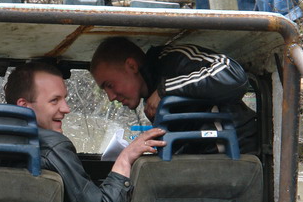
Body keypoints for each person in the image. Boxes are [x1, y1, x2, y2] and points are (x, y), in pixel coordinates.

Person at [4, 61, 165, 202]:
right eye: (55, 101)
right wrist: (125, 159)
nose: (67, 109)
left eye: (65, 99)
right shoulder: (52, 148)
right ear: (24, 106)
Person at [89, 36, 258, 154]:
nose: (110, 97)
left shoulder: (173, 59)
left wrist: (166, 90)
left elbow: (233, 76)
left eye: (109, 85)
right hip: (205, 167)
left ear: (131, 66)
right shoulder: (150, 103)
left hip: (240, 157)